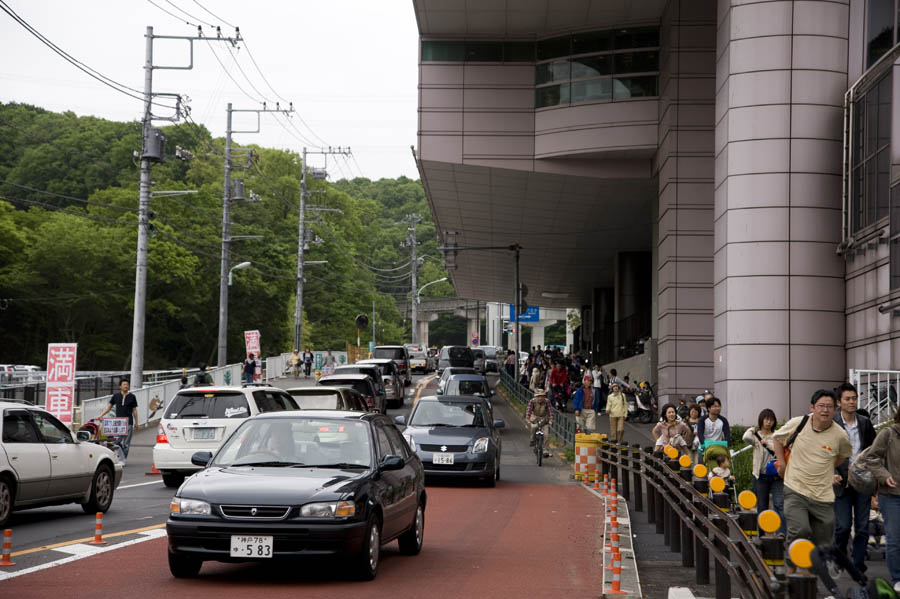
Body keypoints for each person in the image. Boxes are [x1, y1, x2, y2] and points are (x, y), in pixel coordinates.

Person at [773, 390, 852, 559]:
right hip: (795, 487)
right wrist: (782, 463)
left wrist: (825, 466)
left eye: (829, 407)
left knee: (823, 541)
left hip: (822, 494)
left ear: (835, 409)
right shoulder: (799, 423)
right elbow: (778, 439)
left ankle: (813, 572)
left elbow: (843, 455)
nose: (825, 410)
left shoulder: (840, 435)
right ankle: (793, 568)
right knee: (800, 530)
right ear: (812, 407)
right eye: (821, 406)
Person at [832, 382, 877, 572]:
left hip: (862, 482)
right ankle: (840, 558)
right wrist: (832, 473)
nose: (852, 402)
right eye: (847, 399)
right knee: (843, 526)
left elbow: (873, 451)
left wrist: (875, 484)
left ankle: (858, 565)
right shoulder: (832, 423)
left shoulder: (864, 423)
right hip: (841, 482)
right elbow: (824, 452)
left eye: (854, 398)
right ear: (839, 402)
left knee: (862, 527)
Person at [866, 403, 900, 592]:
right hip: (892, 495)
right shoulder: (888, 434)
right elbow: (872, 458)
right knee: (895, 538)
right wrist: (884, 476)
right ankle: (897, 578)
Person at [743, 408, 785, 534]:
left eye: (771, 420)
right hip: (761, 475)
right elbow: (745, 437)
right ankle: (762, 535)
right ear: (761, 420)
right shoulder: (756, 436)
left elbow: (781, 450)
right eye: (766, 419)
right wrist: (753, 429)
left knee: (779, 504)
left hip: (777, 476)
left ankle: (781, 533)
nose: (768, 422)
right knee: (762, 506)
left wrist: (768, 444)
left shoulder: (777, 435)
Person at [97, 379, 139, 459]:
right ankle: (117, 457)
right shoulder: (115, 396)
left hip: (129, 422)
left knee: (126, 443)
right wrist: (101, 415)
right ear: (120, 386)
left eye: (127, 384)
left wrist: (136, 423)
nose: (126, 386)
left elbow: (134, 410)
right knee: (116, 441)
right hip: (118, 423)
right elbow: (109, 408)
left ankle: (123, 459)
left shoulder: (132, 397)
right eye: (124, 384)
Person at [525, 388, 554, 457]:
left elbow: (550, 411)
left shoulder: (547, 401)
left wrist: (551, 419)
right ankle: (532, 440)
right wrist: (528, 418)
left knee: (546, 434)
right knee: (533, 427)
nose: (540, 398)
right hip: (534, 417)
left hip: (544, 418)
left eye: (542, 396)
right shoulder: (532, 401)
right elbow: (529, 410)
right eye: (539, 396)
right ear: (536, 396)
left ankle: (545, 450)